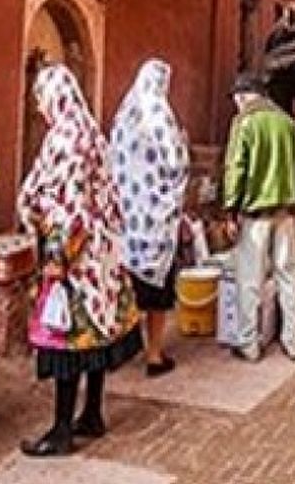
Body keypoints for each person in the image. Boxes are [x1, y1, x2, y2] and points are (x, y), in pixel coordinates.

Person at [18, 65, 143, 457]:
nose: (39, 106)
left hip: (76, 258)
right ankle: (91, 414)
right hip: (103, 256)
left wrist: (57, 257)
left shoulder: (66, 138)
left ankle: (60, 431)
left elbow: (71, 208)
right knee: (95, 337)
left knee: (66, 342)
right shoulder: (90, 130)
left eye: (40, 97)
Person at [110, 59, 189, 378]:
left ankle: (119, 351)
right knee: (156, 293)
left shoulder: (124, 115)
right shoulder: (160, 115)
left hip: (127, 218)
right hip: (155, 220)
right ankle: (154, 354)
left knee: (126, 289)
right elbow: (175, 161)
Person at [222, 71, 295, 362]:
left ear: (243, 96)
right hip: (286, 211)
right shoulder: (286, 123)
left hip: (255, 213)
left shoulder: (244, 123)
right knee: (288, 275)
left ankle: (249, 343)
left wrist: (230, 211)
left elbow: (236, 169)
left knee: (250, 279)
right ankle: (293, 341)